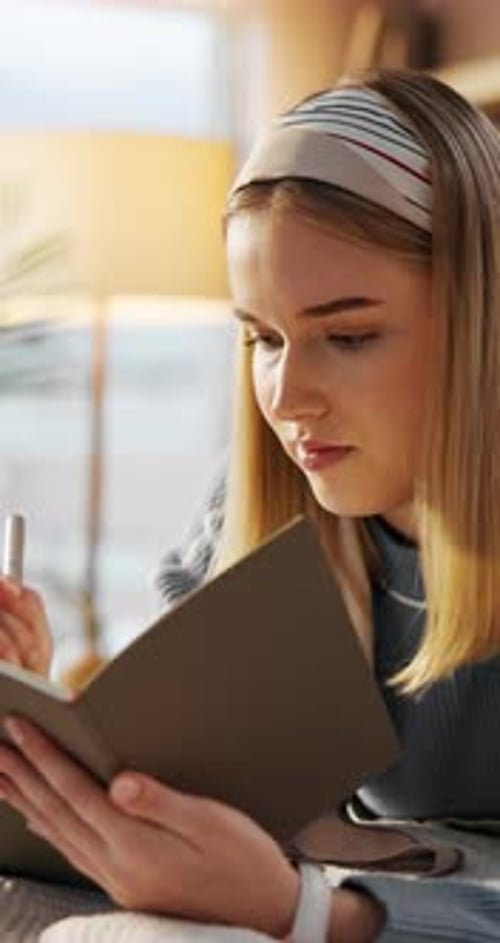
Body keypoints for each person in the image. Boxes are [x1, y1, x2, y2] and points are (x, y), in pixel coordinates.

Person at [0, 67, 499, 942]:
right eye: (262, 338)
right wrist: (42, 724)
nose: (288, 397)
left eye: (348, 336)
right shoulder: (269, 498)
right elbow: (182, 782)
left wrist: (308, 915)